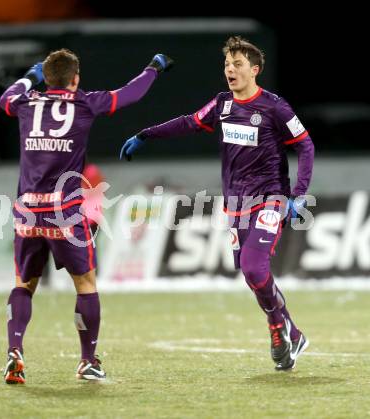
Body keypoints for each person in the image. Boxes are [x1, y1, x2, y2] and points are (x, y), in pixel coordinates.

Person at [120, 36, 314, 371]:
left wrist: (298, 194)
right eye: (227, 64)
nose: (230, 70)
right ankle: (291, 331)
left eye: (237, 64)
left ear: (255, 70)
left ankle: (276, 328)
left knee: (254, 267)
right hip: (235, 204)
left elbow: (306, 145)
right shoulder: (222, 104)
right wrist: (146, 134)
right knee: (251, 274)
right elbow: (188, 122)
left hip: (270, 198)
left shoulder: (274, 107)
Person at [0, 48, 173, 383]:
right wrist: (153, 67)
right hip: (63, 212)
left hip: (28, 210)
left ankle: (14, 351)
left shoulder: (25, 102)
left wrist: (29, 77)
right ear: (75, 79)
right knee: (85, 284)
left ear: (46, 78)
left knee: (24, 284)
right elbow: (130, 94)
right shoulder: (83, 102)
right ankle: (87, 360)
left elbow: (6, 97)